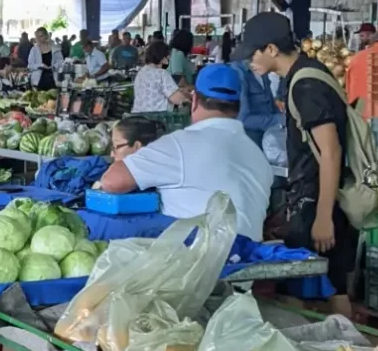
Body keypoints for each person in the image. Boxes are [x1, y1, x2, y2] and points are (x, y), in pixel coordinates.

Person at [239, 9, 358, 314]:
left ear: (272, 50)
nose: (250, 61)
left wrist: (322, 217)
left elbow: (330, 152)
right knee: (331, 283)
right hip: (321, 197)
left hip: (319, 200)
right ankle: (346, 349)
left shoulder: (305, 86)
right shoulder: (308, 74)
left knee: (302, 286)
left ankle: (335, 350)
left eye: (254, 53)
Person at [97, 65, 272, 233]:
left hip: (201, 261)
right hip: (251, 258)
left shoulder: (179, 145)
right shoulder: (259, 157)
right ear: (239, 106)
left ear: (194, 100)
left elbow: (112, 181)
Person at [131, 42, 189, 113]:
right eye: (168, 57)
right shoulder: (162, 73)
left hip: (137, 116)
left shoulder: (141, 72)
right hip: (156, 118)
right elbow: (177, 99)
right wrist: (188, 99)